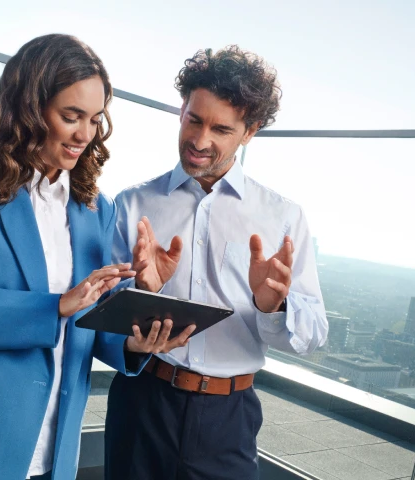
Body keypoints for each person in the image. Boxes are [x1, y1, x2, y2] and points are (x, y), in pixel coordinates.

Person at [0, 34, 191, 480]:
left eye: (94, 119)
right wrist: (53, 307)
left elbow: (90, 325)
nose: (84, 135)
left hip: (52, 442)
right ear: (28, 109)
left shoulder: (96, 209)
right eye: (71, 117)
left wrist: (138, 324)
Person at [105, 45, 329, 480]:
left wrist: (273, 306)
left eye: (222, 129)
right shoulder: (134, 204)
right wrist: (143, 292)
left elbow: (314, 333)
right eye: (194, 119)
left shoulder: (283, 218)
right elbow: (106, 318)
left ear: (250, 132)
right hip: (142, 402)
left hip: (229, 416)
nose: (200, 140)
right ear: (181, 109)